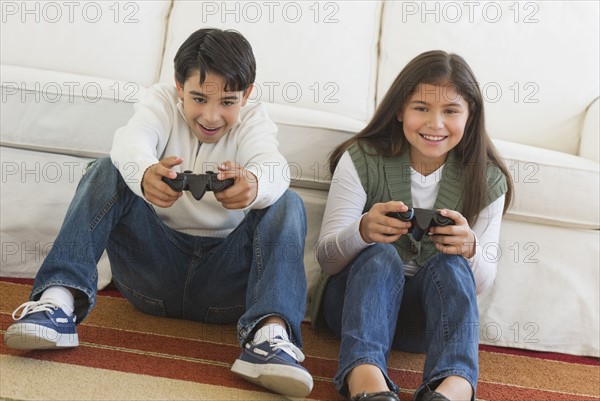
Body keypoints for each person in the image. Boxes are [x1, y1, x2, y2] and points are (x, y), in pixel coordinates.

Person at [4, 28, 313, 398]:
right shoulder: (160, 102)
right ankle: (56, 303)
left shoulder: (255, 120)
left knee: (286, 200)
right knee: (107, 168)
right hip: (151, 277)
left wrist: (258, 185)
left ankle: (269, 338)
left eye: (228, 102)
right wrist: (144, 172)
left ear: (246, 95)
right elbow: (131, 140)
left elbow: (273, 164)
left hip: (225, 290)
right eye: (199, 98)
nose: (212, 116)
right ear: (178, 85)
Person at [313, 50, 513, 401]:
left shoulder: (487, 179)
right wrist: (361, 232)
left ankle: (454, 387)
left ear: (470, 115)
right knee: (381, 256)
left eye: (450, 111)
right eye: (421, 108)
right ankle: (365, 379)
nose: (435, 124)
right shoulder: (362, 158)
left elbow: (480, 283)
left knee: (452, 265)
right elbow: (327, 259)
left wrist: (469, 248)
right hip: (351, 305)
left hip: (423, 323)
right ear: (400, 110)